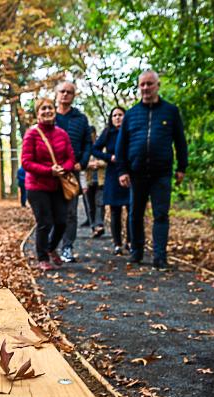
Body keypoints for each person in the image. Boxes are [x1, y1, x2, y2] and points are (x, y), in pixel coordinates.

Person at [116, 70, 188, 269]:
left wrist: (182, 167)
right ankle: (136, 252)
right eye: (142, 85)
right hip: (136, 173)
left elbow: (180, 141)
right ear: (139, 87)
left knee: (161, 214)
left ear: (158, 85)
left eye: (150, 84)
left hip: (161, 174)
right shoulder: (131, 114)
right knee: (135, 213)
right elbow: (121, 145)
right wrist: (122, 170)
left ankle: (160, 256)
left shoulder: (170, 112)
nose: (146, 88)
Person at [22, 97, 75, 271]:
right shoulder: (32, 134)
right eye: (43, 109)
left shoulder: (62, 134)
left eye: (50, 108)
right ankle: (42, 257)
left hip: (58, 185)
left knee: (61, 221)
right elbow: (26, 162)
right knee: (45, 222)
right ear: (37, 114)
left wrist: (63, 169)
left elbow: (70, 157)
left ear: (54, 111)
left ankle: (51, 248)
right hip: (37, 186)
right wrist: (49, 170)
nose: (47, 111)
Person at [53, 81, 92, 263]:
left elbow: (87, 143)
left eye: (69, 92)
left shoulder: (80, 119)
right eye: (62, 91)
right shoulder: (49, 116)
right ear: (56, 93)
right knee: (51, 210)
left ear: (74, 96)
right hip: (51, 172)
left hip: (72, 172)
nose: (65, 95)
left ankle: (67, 247)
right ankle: (50, 246)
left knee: (70, 212)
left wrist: (82, 163)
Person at [93, 106, 129, 255]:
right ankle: (117, 244)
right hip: (113, 174)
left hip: (129, 173)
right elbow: (94, 149)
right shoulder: (108, 132)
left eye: (120, 115)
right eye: (114, 115)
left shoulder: (130, 131)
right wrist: (109, 157)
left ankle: (131, 241)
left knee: (131, 209)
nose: (117, 118)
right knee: (115, 211)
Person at [80, 125, 97, 227]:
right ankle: (90, 220)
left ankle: (96, 222)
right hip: (87, 177)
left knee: (97, 202)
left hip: (98, 178)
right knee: (87, 201)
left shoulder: (99, 144)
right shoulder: (84, 146)